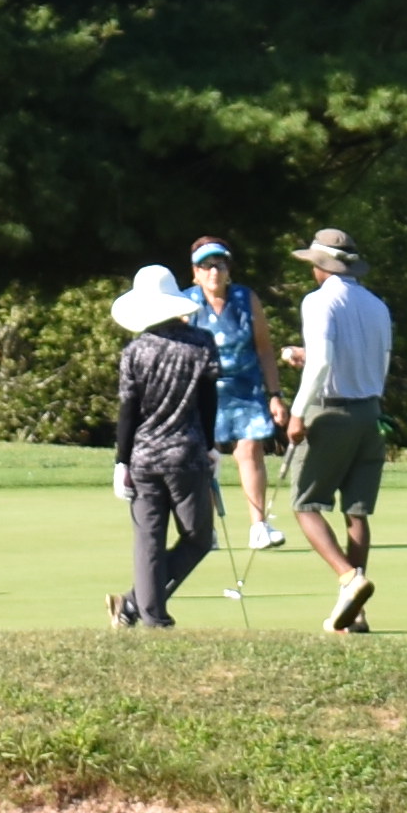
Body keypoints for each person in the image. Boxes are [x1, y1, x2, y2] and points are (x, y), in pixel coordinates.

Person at [284, 226, 395, 632]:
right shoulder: (377, 306)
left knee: (305, 505)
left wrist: (297, 413)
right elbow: (377, 362)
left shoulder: (317, 303)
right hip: (371, 413)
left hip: (330, 413)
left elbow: (322, 364)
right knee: (357, 511)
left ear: (320, 266)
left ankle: (349, 579)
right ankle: (356, 612)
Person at [103, 261, 217, 627]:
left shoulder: (135, 351)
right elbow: (208, 401)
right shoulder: (201, 344)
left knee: (148, 540)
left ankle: (144, 610)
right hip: (187, 454)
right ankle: (143, 609)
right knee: (198, 538)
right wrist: (213, 446)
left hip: (144, 458)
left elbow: (128, 411)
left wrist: (121, 462)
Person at [186, 237, 278, 578]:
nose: (214, 271)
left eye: (219, 264)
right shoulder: (186, 304)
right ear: (195, 273)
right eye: (206, 266)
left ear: (228, 269)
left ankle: (258, 526)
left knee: (250, 449)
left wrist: (275, 393)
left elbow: (265, 349)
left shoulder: (245, 298)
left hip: (246, 387)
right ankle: (207, 531)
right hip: (204, 390)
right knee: (204, 459)